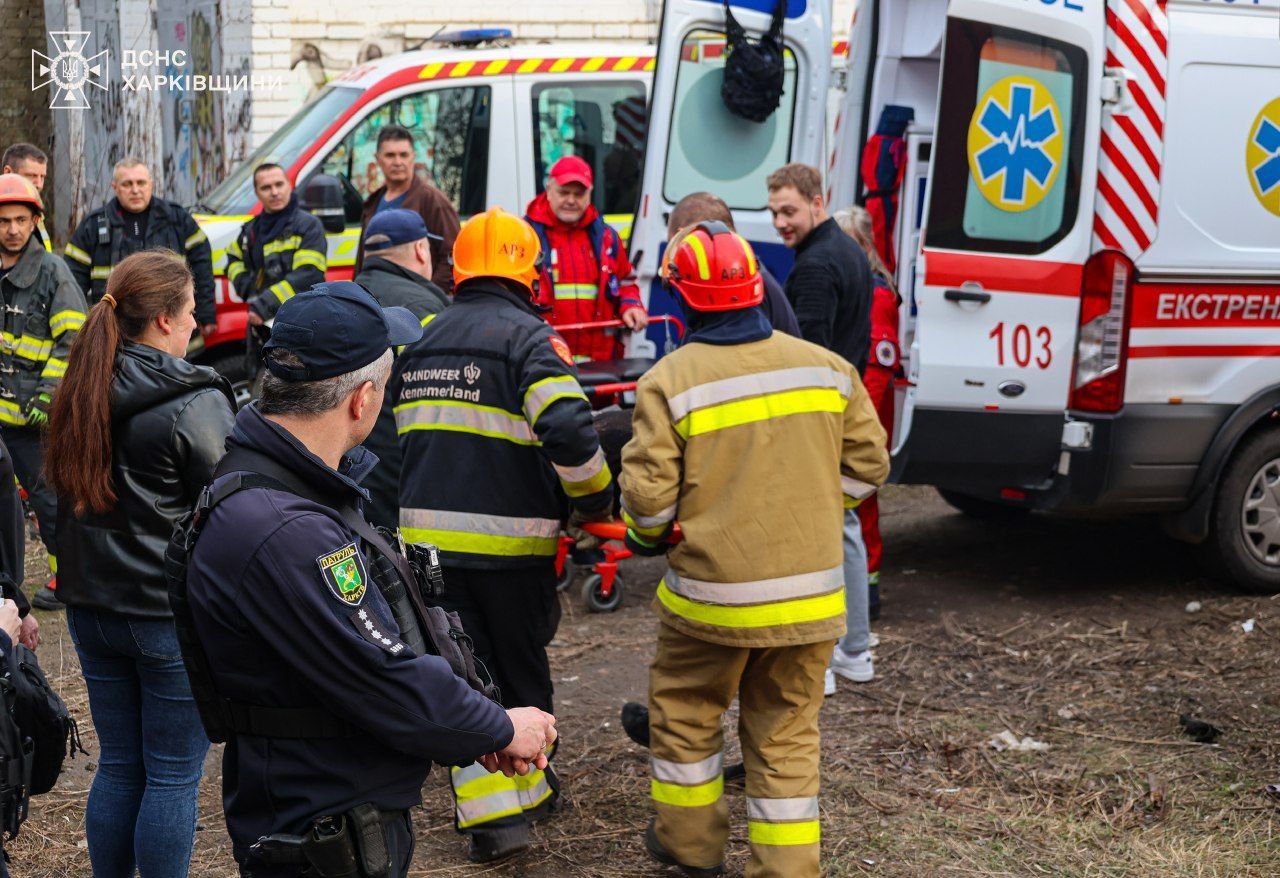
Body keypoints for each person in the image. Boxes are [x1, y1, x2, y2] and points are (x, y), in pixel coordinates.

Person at [185, 280, 556, 876]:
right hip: (326, 824)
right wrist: (500, 726)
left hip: (320, 800)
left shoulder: (277, 484)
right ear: (362, 400)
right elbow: (382, 676)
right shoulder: (286, 528)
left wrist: (473, 727)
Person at [619, 222, 889, 878]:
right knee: (787, 735)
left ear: (681, 297)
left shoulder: (669, 380)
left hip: (711, 603)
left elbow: (649, 507)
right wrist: (816, 505)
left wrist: (648, 538)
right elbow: (870, 467)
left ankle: (691, 848)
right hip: (810, 606)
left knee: (686, 713)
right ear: (757, 290)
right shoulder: (827, 370)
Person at [393, 208, 613, 863]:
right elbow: (569, 430)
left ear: (457, 273)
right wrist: (596, 501)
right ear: (529, 276)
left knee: (463, 675)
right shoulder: (530, 340)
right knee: (519, 667)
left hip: (428, 552)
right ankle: (531, 790)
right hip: (510, 551)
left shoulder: (420, 342)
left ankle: (495, 823)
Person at [44, 249, 234, 877]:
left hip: (90, 609)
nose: (197, 324)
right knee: (173, 777)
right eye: (191, 311)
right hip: (164, 617)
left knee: (121, 766)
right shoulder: (194, 400)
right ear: (162, 320)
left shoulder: (81, 385)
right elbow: (229, 509)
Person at [767, 163, 878, 689]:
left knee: (816, 537)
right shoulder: (849, 251)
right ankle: (855, 649)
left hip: (817, 418)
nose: (780, 223)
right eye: (774, 213)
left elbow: (806, 357)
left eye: (788, 211)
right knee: (844, 527)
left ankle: (824, 660)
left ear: (817, 203)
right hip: (843, 408)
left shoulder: (814, 266)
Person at [0, 174, 87, 611]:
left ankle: (67, 579)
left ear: (35, 221)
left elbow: (74, 340)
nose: (12, 229)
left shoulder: (53, 273)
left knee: (49, 502)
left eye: (21, 220)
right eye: (3, 221)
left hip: (31, 418)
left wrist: (47, 397)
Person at [353, 209, 450, 530]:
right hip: (403, 476)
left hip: (348, 469)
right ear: (421, 249)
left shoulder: (349, 299)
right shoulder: (424, 309)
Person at [835, 206, 902, 623]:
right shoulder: (858, 287)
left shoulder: (875, 296)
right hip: (857, 416)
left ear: (862, 246)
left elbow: (876, 373)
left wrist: (854, 430)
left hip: (863, 420)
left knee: (860, 499)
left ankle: (867, 591)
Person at [64, 158, 216, 335]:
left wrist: (206, 314)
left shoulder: (177, 219)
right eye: (127, 184)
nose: (135, 190)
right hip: (114, 330)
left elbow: (202, 268)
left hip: (170, 328)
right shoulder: (93, 226)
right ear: (115, 187)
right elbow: (72, 281)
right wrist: (78, 330)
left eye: (141, 183)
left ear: (151, 184)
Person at [524, 155, 647, 361]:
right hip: (545, 361)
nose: (571, 200)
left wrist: (632, 305)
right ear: (549, 190)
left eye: (578, 194)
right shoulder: (525, 237)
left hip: (600, 364)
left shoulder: (607, 238)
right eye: (564, 192)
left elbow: (626, 281)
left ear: (589, 194)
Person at [666, 191, 799, 337]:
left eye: (673, 247)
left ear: (684, 236)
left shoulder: (739, 293)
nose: (674, 263)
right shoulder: (750, 279)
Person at [356, 125, 460, 292]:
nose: (398, 162)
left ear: (413, 157)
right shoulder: (372, 203)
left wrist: (428, 296)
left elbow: (453, 258)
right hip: (375, 300)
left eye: (404, 155)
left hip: (417, 304)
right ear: (377, 158)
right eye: (390, 155)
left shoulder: (433, 202)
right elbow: (362, 261)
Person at [225, 163, 328, 327]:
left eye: (279, 184)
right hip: (261, 325)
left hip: (301, 321)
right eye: (266, 188)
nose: (274, 192)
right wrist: (248, 289)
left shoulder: (308, 225)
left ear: (289, 185)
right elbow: (233, 258)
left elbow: (308, 275)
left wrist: (263, 305)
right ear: (257, 193)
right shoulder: (251, 230)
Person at [2, 144, 50, 252]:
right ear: (8, 172)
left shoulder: (36, 213)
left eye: (42, 177)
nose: (39, 184)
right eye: (32, 176)